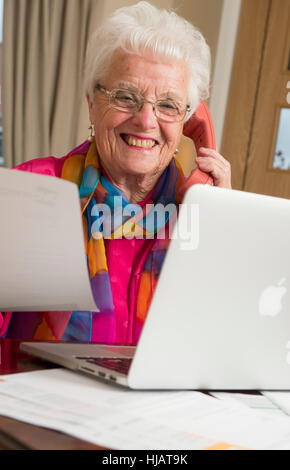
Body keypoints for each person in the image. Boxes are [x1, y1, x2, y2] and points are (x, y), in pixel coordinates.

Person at [0, 1, 231, 344]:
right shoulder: (33, 190)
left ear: (188, 121)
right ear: (93, 103)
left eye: (168, 105)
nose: (146, 120)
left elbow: (223, 341)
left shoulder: (199, 211)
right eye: (126, 96)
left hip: (160, 398)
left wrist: (221, 229)